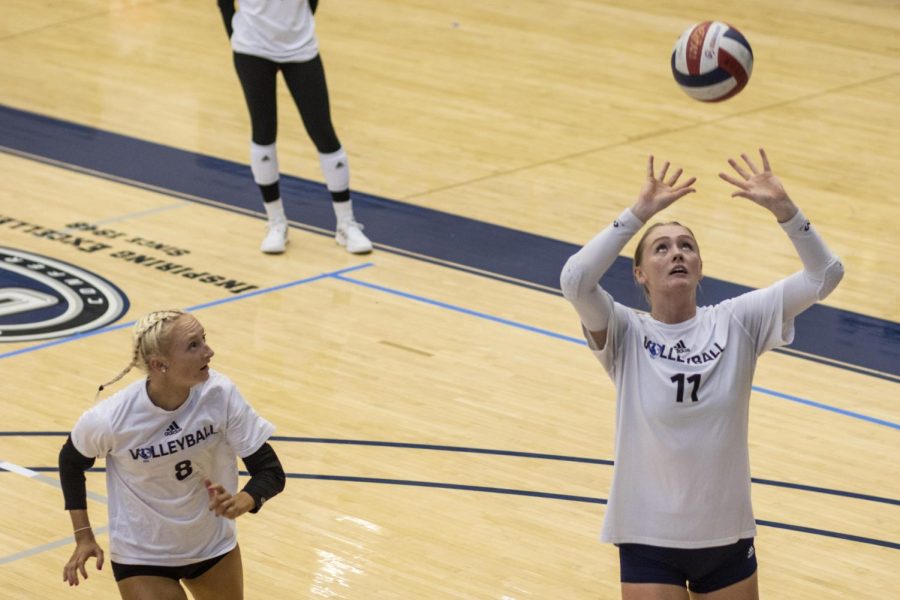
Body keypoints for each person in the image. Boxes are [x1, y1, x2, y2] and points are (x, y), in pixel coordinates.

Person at [559, 149, 844, 599]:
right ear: (639, 274)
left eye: (686, 246)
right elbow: (575, 281)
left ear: (699, 267)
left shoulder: (738, 321)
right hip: (647, 534)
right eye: (662, 247)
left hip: (725, 534)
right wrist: (638, 215)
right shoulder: (624, 331)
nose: (677, 253)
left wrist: (787, 212)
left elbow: (825, 275)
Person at [59, 309, 285, 599]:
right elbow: (70, 461)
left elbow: (271, 471)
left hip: (212, 547)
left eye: (204, 339)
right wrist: (83, 535)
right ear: (159, 364)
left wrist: (244, 499)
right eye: (194, 345)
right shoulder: (111, 419)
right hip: (143, 557)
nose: (209, 351)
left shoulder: (220, 394)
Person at [217, 0, 373, 255]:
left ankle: (346, 224)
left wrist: (296, 27)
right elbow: (224, 2)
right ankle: (276, 222)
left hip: (300, 49)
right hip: (252, 50)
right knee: (263, 132)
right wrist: (236, 37)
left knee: (323, 132)